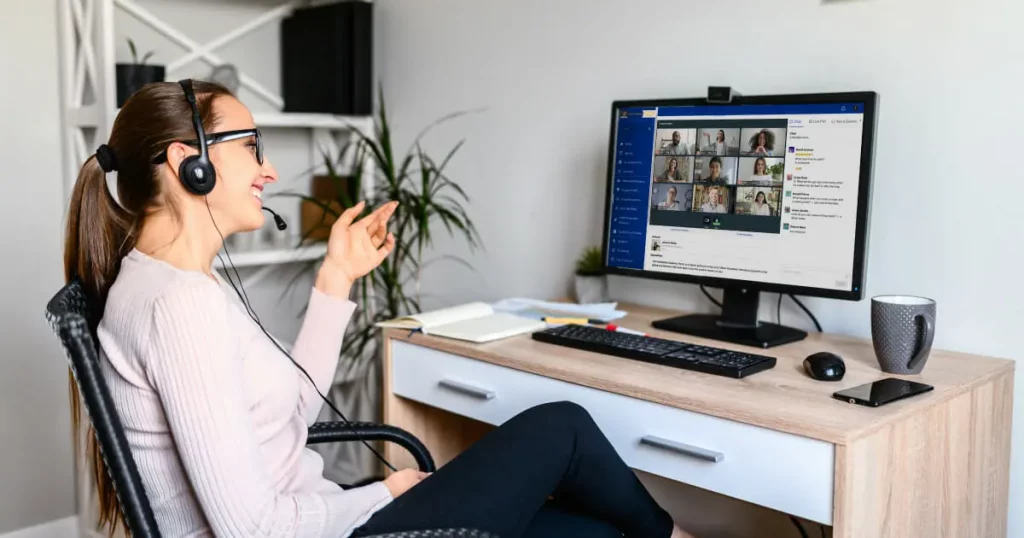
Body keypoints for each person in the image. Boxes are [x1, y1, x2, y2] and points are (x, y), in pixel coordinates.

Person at [62, 80, 696, 538]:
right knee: (562, 425)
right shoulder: (179, 305)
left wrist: (335, 276)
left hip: (325, 519)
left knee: (595, 530)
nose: (269, 168)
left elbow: (292, 411)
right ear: (188, 162)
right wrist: (379, 494)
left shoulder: (163, 285)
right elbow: (251, 527)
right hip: (327, 531)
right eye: (250, 145)